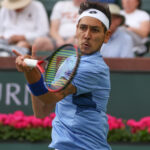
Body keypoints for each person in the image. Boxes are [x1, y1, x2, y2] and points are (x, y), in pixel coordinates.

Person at [13, 1, 112, 150]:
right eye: (83, 28)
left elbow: (50, 97)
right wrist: (32, 72)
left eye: (95, 30)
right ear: (76, 29)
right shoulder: (68, 62)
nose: (87, 35)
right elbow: (42, 110)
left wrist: (30, 72)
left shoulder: (94, 68)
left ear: (106, 36)